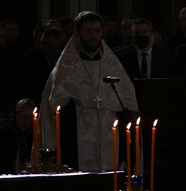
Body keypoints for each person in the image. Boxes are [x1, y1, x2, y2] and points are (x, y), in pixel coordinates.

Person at [42, 12, 138, 171]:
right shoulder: (66, 66)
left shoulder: (113, 65)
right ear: (78, 33)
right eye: (87, 31)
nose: (93, 36)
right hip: (76, 136)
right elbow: (53, 104)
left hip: (109, 132)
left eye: (96, 31)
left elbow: (127, 103)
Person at [0, 99, 36, 173]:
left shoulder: (33, 133)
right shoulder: (3, 133)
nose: (26, 121)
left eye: (29, 118)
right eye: (23, 117)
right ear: (16, 115)